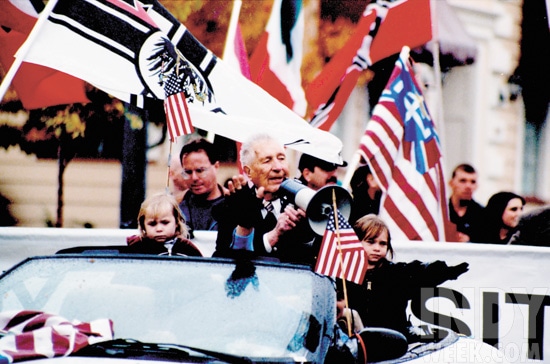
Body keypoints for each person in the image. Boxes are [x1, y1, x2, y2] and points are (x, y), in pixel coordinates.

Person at [338, 214, 469, 342]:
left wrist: (447, 271)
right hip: (353, 345)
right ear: (355, 242)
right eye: (371, 242)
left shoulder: (396, 273)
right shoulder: (343, 275)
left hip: (393, 342)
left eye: (382, 244)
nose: (377, 248)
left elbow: (422, 273)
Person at [214, 133, 318, 266]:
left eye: (281, 159)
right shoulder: (233, 206)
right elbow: (222, 260)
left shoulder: (303, 201)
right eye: (267, 161)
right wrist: (273, 236)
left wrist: (307, 233)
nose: (278, 167)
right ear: (249, 171)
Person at [126, 193, 202, 256]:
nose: (159, 229)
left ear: (177, 222)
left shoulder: (187, 248)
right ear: (143, 226)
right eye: (152, 224)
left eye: (165, 222)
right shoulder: (137, 248)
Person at [178, 138, 227, 235]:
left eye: (200, 171)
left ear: (216, 167)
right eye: (188, 172)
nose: (194, 177)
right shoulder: (175, 206)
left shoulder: (233, 205)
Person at [448, 163, 485, 242]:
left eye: (473, 182)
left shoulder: (483, 214)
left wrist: (470, 242)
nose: (468, 186)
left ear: (477, 186)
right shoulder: (442, 211)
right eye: (463, 181)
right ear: (451, 183)